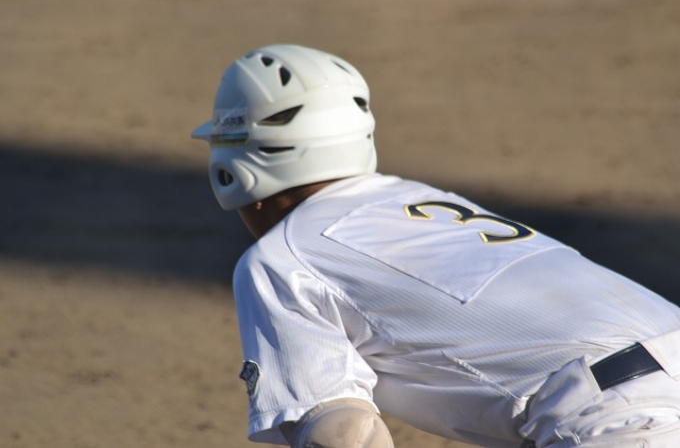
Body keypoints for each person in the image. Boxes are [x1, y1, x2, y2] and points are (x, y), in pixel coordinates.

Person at [191, 44, 680, 448]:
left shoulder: (281, 257)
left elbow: (343, 435)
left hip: (626, 416)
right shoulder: (422, 200)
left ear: (234, 169)